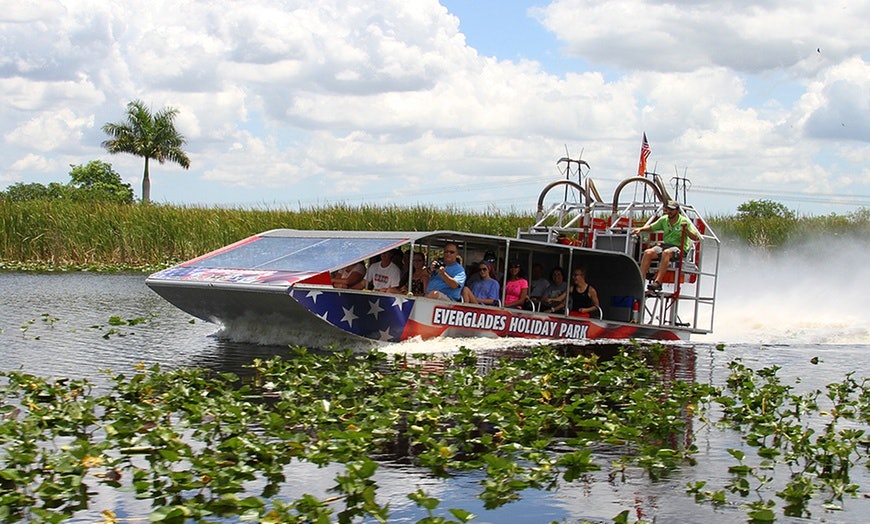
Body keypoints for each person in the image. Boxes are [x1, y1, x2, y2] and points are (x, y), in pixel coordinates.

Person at [631, 200, 701, 292]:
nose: (669, 212)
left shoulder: (684, 221)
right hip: (665, 246)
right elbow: (652, 227)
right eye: (668, 209)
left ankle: (658, 282)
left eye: (672, 210)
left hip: (679, 249)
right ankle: (640, 281)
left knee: (666, 253)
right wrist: (640, 229)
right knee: (648, 252)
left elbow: (696, 237)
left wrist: (686, 229)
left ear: (677, 210)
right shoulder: (664, 219)